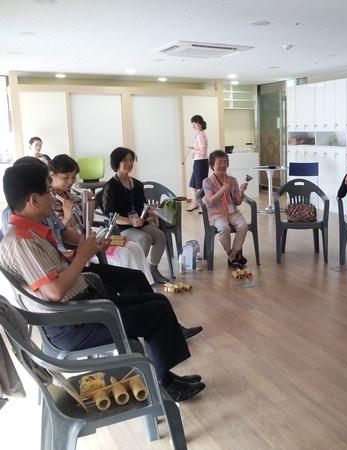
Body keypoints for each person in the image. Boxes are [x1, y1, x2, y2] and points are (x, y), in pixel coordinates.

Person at [0, 162, 205, 401]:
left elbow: (50, 276)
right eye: (48, 191)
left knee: (158, 301)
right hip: (73, 323)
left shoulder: (28, 233)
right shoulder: (22, 241)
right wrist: (81, 256)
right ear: (34, 200)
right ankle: (163, 384)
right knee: (156, 312)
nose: (52, 197)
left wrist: (77, 255)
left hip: (81, 311)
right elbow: (54, 292)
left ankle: (163, 377)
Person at [49, 154, 154, 285]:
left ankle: (146, 285)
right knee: (124, 254)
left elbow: (87, 222)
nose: (70, 181)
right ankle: (131, 288)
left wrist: (91, 203)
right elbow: (56, 235)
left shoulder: (72, 196)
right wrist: (67, 218)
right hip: (74, 247)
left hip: (86, 238)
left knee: (135, 247)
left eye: (73, 177)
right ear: (52, 175)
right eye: (65, 177)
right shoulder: (49, 201)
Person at [101, 147, 169, 284]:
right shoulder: (111, 186)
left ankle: (153, 270)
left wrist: (150, 210)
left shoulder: (137, 184)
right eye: (125, 160)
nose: (129, 163)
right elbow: (111, 215)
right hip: (121, 226)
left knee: (160, 236)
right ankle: (137, 273)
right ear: (116, 163)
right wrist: (130, 221)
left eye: (131, 160)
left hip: (138, 222)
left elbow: (142, 205)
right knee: (145, 239)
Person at [202, 150, 249, 268]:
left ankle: (233, 255)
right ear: (212, 165)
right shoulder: (207, 182)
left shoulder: (232, 180)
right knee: (224, 228)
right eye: (219, 162)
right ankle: (232, 254)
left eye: (225, 162)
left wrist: (241, 191)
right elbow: (210, 202)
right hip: (216, 213)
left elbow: (237, 202)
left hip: (232, 212)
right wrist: (223, 189)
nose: (223, 165)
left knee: (243, 226)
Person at [186, 115, 208, 212]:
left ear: (199, 123)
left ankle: (204, 206)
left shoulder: (200, 135)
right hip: (198, 162)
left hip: (201, 162)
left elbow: (203, 152)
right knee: (193, 185)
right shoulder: (199, 134)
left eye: (194, 124)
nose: (193, 126)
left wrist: (192, 150)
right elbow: (201, 148)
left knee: (201, 185)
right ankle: (195, 203)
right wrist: (193, 148)